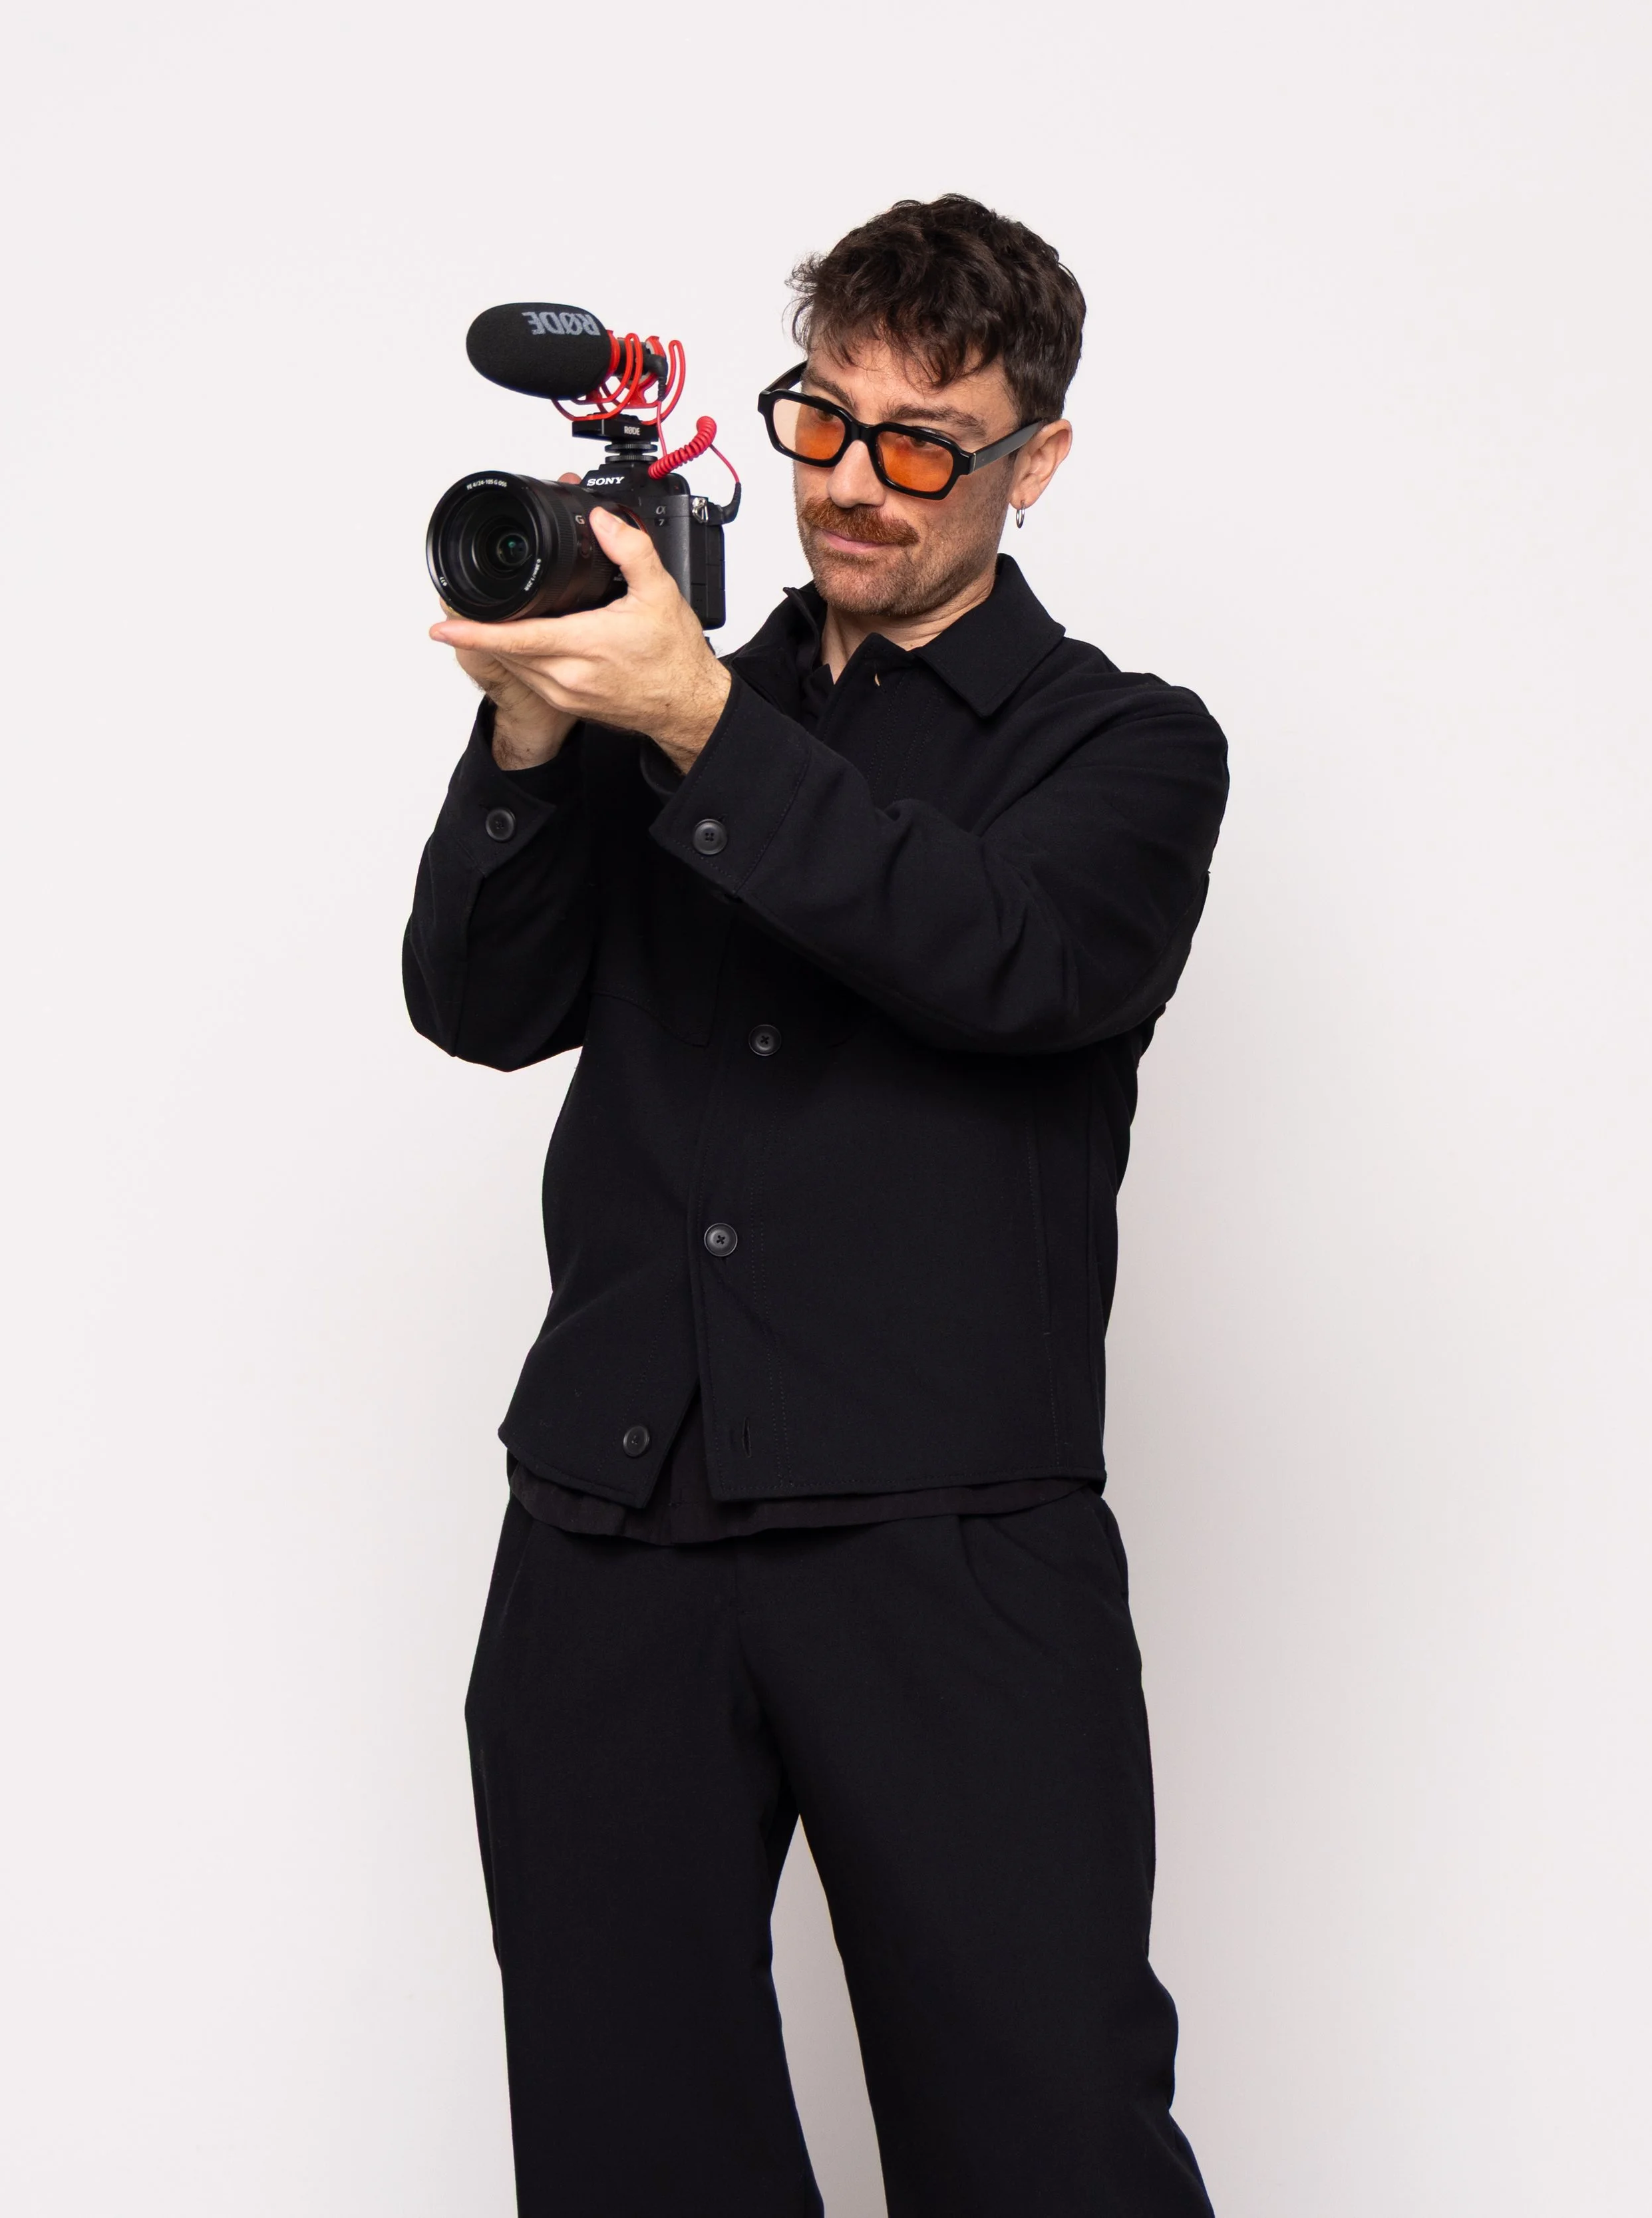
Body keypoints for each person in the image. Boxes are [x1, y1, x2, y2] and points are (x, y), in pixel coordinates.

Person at [407, 194, 1228, 2218]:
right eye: (823, 421)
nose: (854, 484)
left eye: (925, 444)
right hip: (612, 1516)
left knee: (1044, 2142)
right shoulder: (661, 690)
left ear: (1036, 458)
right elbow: (478, 1006)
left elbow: (1002, 957)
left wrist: (692, 719)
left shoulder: (1125, 748)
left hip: (943, 1534)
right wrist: (533, 727)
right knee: (627, 2146)